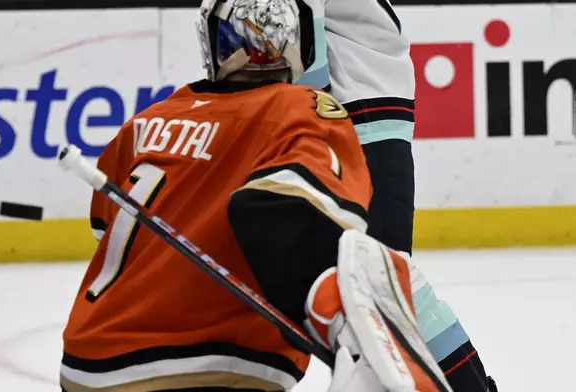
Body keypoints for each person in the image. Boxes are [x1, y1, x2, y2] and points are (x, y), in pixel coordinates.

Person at [60, 0, 450, 391]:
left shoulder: (148, 120)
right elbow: (277, 212)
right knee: (390, 283)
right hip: (204, 363)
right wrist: (336, 319)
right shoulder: (298, 108)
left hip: (84, 360)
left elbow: (107, 228)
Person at [295, 0, 496, 390]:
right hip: (362, 105)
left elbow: (304, 53)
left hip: (355, 109)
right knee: (383, 284)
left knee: (387, 282)